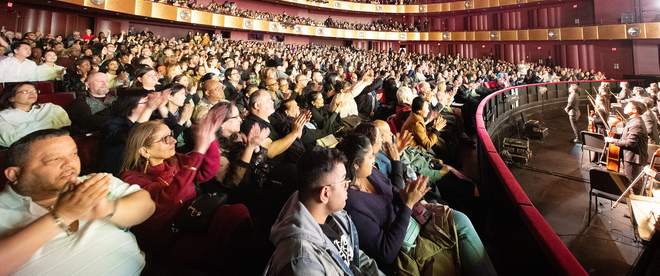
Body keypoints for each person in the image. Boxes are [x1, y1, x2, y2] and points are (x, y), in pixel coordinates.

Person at [0, 129, 156, 276]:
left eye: (74, 153)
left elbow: (146, 205)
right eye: (53, 159)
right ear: (14, 174)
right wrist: (62, 216)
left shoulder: (93, 181)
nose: (70, 163)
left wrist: (107, 208)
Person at [337, 134, 497, 276]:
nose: (375, 158)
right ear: (356, 164)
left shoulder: (371, 174)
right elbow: (387, 253)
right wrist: (408, 204)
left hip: (412, 221)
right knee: (461, 223)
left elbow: (393, 191)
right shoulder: (351, 205)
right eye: (370, 156)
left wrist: (410, 192)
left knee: (459, 219)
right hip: (406, 246)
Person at [119, 111, 252, 272]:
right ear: (144, 151)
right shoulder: (131, 178)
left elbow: (208, 170)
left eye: (171, 135)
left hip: (194, 221)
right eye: (165, 139)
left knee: (237, 214)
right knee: (229, 235)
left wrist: (209, 139)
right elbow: (168, 200)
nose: (174, 140)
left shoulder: (173, 160)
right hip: (170, 239)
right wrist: (198, 151)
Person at [266, 147, 385, 276]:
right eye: (343, 181)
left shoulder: (334, 214)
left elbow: (353, 256)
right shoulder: (303, 264)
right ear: (325, 194)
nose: (348, 186)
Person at [0, 83, 71, 147]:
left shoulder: (51, 108)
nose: (32, 94)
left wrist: (22, 129)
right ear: (11, 98)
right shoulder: (2, 116)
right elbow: (11, 140)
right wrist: (48, 125)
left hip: (56, 145)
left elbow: (64, 130)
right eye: (26, 91)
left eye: (34, 91)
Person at [605, 101, 648, 186]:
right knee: (632, 182)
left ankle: (638, 195)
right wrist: (615, 135)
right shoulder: (634, 121)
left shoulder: (636, 124)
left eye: (627, 106)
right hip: (631, 157)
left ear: (635, 110)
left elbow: (630, 143)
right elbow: (628, 136)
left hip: (633, 158)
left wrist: (612, 141)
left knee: (634, 184)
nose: (624, 108)